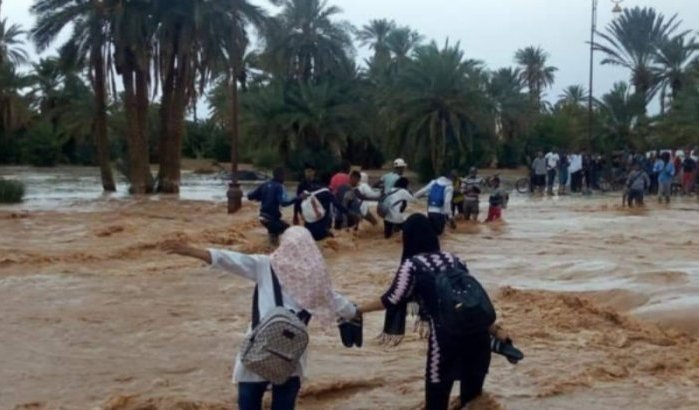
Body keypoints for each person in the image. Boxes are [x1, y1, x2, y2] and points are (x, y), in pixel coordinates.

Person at [163, 227, 358, 410]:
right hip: (291, 355)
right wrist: (371, 308)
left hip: (258, 347)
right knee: (284, 402)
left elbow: (229, 259)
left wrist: (190, 251)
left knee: (248, 399)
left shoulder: (266, 265)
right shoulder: (317, 281)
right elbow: (347, 309)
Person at [355, 214, 515, 410]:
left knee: (436, 403)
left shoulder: (412, 265)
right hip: (479, 339)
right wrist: (497, 331)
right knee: (473, 402)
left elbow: (392, 299)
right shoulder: (454, 259)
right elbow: (471, 303)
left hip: (446, 342)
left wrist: (357, 310)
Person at [247, 167, 296, 245]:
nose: (284, 178)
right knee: (288, 230)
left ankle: (271, 246)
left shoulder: (265, 184)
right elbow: (284, 203)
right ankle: (280, 249)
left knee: (274, 233)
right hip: (271, 219)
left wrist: (260, 197)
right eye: (284, 176)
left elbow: (250, 196)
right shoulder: (279, 186)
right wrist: (298, 198)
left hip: (262, 217)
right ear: (280, 176)